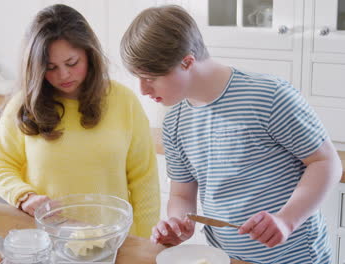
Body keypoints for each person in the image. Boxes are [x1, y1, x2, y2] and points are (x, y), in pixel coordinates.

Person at [120, 5, 343, 263]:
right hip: (227, 258)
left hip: (296, 258)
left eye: (150, 78)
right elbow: (182, 194)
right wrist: (177, 223)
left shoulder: (269, 97)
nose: (143, 90)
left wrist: (286, 220)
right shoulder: (175, 123)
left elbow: (327, 162)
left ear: (187, 62)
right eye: (138, 77)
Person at [0, 4, 160, 238]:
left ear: (89, 54)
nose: (63, 75)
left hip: (112, 242)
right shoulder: (24, 106)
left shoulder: (124, 102)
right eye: (50, 68)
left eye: (72, 62)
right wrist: (24, 196)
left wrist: (142, 243)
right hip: (47, 240)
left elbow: (144, 180)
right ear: (36, 68)